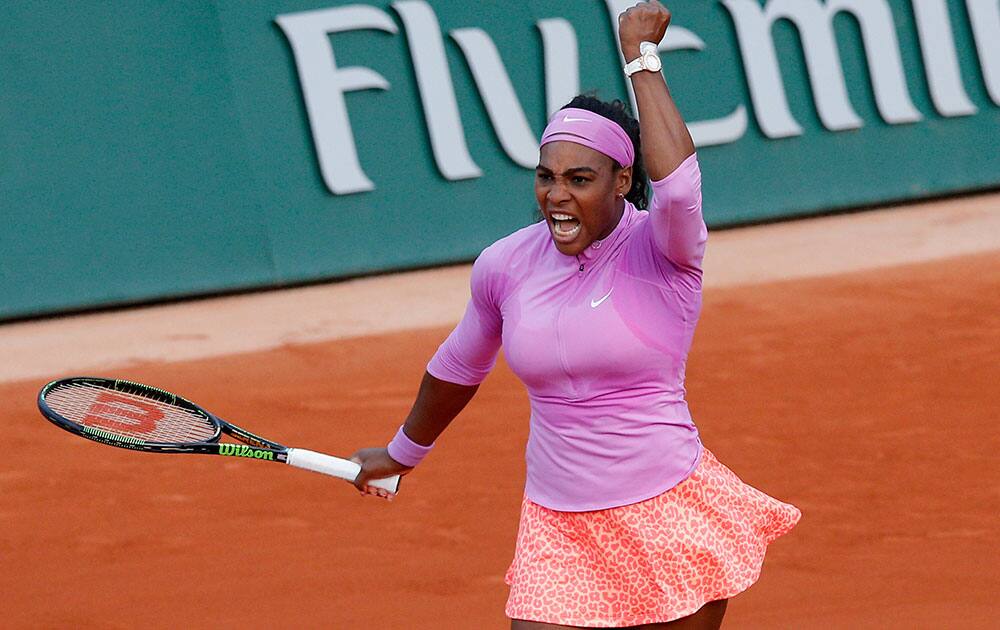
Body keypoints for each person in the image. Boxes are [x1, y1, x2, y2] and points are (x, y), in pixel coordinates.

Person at [348, 2, 801, 628]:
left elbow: (678, 189)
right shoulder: (506, 265)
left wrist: (640, 58)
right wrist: (403, 453)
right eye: (546, 177)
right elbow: (458, 366)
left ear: (622, 181)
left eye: (580, 179)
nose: (557, 196)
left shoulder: (663, 250)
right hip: (557, 526)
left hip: (665, 510)